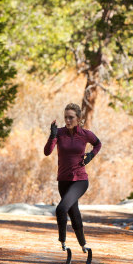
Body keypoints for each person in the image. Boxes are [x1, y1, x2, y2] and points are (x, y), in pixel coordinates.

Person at [44, 103, 101, 253]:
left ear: (78, 118)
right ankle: (83, 245)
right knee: (73, 212)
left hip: (80, 180)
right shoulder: (60, 133)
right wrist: (52, 135)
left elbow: (98, 144)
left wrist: (91, 156)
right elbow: (47, 152)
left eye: (71, 117)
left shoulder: (85, 134)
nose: (67, 121)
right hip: (63, 180)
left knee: (61, 208)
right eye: (65, 118)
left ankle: (62, 241)